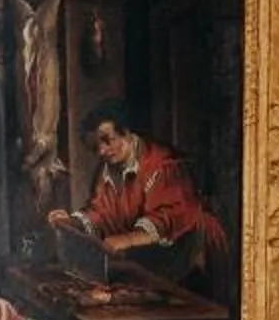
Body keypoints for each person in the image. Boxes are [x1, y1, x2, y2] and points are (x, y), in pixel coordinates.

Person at [47, 100, 228, 285]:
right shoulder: (107, 170)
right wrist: (72, 222)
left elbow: (169, 216)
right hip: (147, 262)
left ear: (126, 132)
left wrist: (126, 239)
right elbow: (102, 213)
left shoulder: (163, 164)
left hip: (187, 256)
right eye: (95, 147)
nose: (101, 151)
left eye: (107, 141)